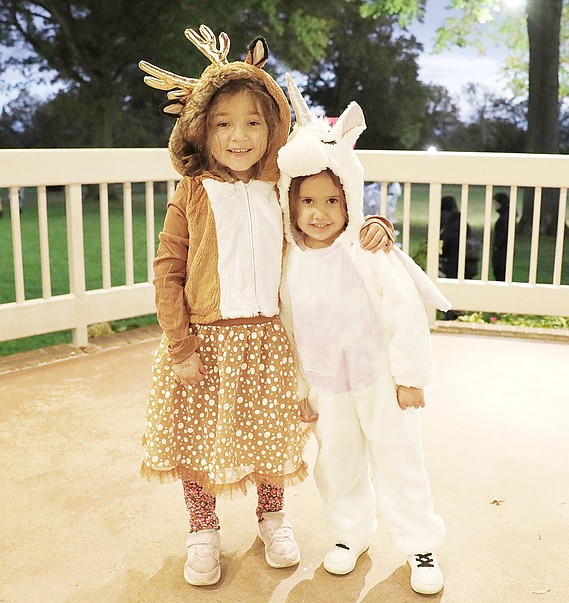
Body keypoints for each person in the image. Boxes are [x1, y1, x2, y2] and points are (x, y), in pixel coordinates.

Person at [138, 26, 395, 588]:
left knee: (268, 435)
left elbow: (331, 217)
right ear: (201, 129)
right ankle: (202, 530)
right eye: (224, 123)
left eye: (254, 122)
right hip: (204, 343)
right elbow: (168, 271)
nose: (239, 136)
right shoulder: (191, 192)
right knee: (200, 437)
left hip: (267, 340)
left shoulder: (282, 186)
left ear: (274, 127)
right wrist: (180, 343)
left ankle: (272, 517)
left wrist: (374, 223)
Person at [277, 76, 448, 596]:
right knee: (338, 463)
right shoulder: (290, 262)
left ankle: (420, 543)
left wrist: (411, 378)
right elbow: (290, 331)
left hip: (380, 379)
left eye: (332, 200)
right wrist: (302, 392)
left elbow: (403, 315)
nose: (320, 212)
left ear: (349, 199)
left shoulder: (366, 252)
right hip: (328, 384)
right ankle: (351, 535)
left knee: (399, 459)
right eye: (308, 201)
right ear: (292, 204)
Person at [439, 195, 479, 279]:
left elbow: (445, 239)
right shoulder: (461, 219)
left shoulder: (446, 219)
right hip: (465, 260)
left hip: (450, 260)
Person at [492, 192, 511, 281]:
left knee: (500, 275)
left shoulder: (504, 218)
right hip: (503, 251)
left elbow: (502, 235)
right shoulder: (507, 216)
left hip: (501, 252)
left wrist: (497, 244)